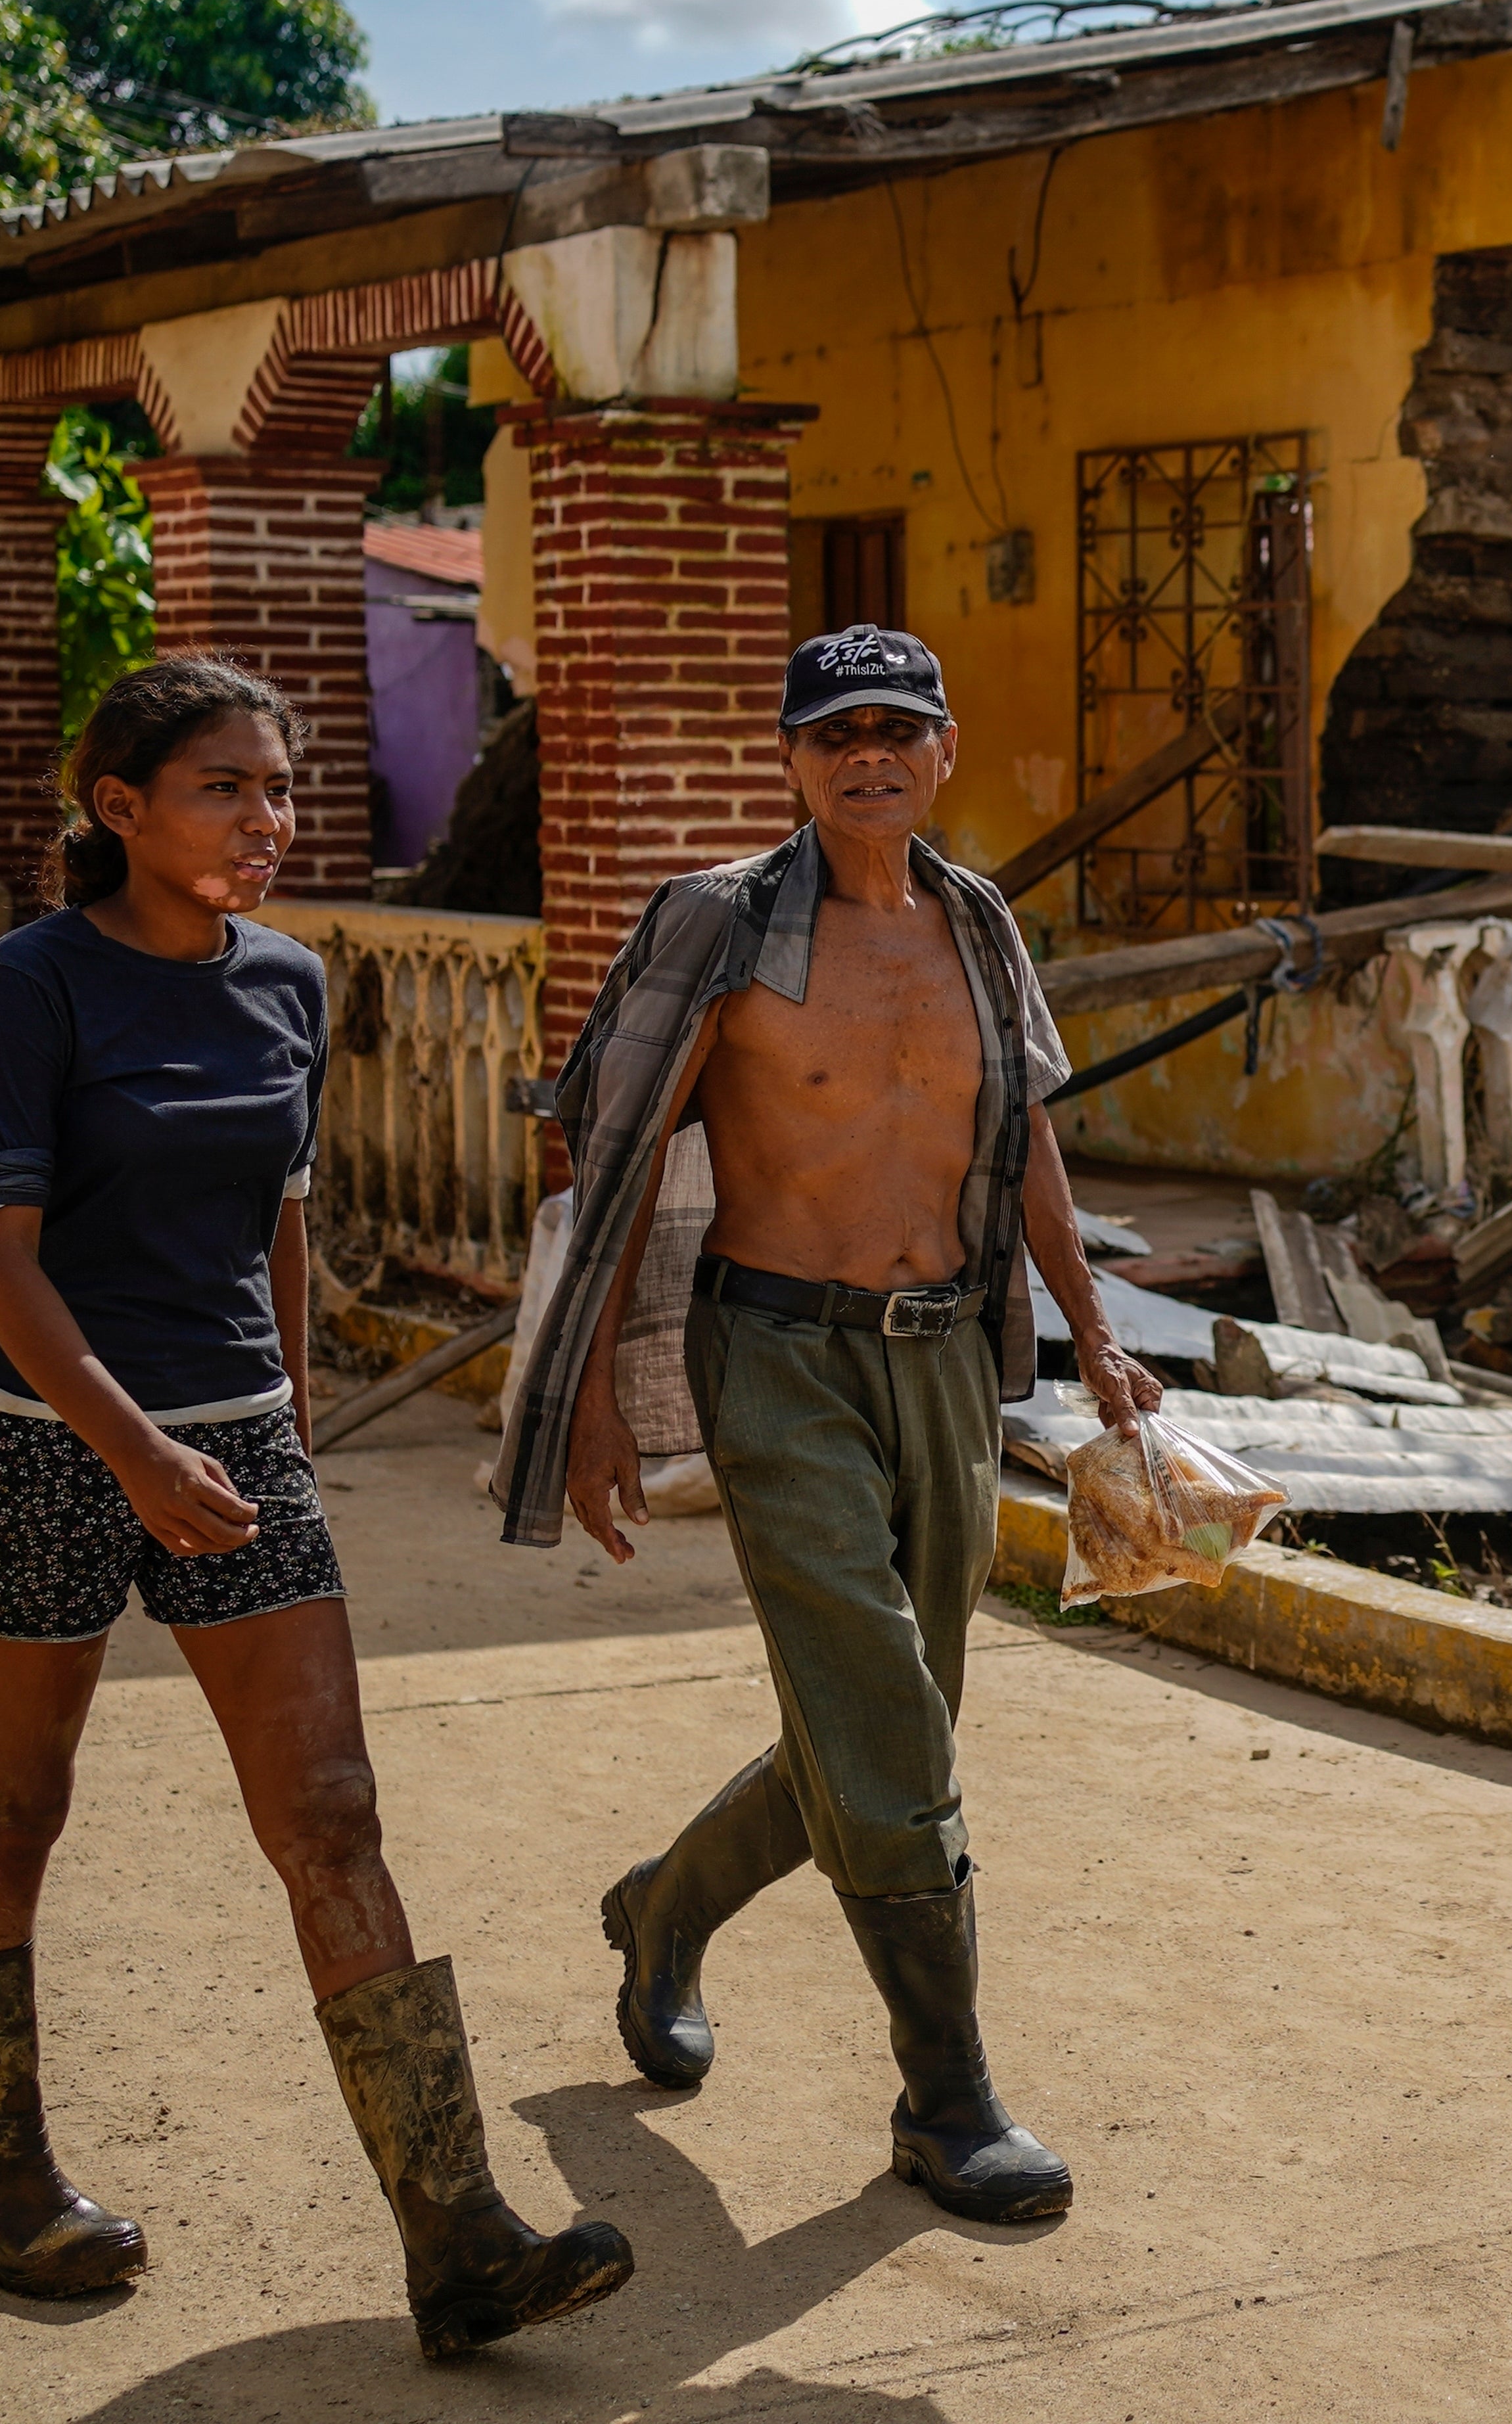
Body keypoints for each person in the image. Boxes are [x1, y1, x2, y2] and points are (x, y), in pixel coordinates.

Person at [0, 656, 631, 2358]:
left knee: (331, 1811)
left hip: (239, 1446)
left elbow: (280, 1221)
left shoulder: (288, 984)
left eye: (281, 786)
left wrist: (285, 1424)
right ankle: (2, 2185)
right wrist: (133, 1457)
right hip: (38, 1440)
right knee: (16, 1805)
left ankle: (455, 2234)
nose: (267, 817)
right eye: (224, 785)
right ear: (121, 810)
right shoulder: (36, 989)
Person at [495, 624, 1160, 2224]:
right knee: (885, 1718)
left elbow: (1028, 1139)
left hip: (943, 1357)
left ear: (941, 751)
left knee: (887, 1720)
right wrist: (586, 1400)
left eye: (898, 727)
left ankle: (664, 1905)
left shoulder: (980, 922)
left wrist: (1097, 1323)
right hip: (779, 1353)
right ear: (791, 763)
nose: (868, 753)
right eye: (833, 731)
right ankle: (949, 2097)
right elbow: (621, 1154)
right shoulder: (720, 923)